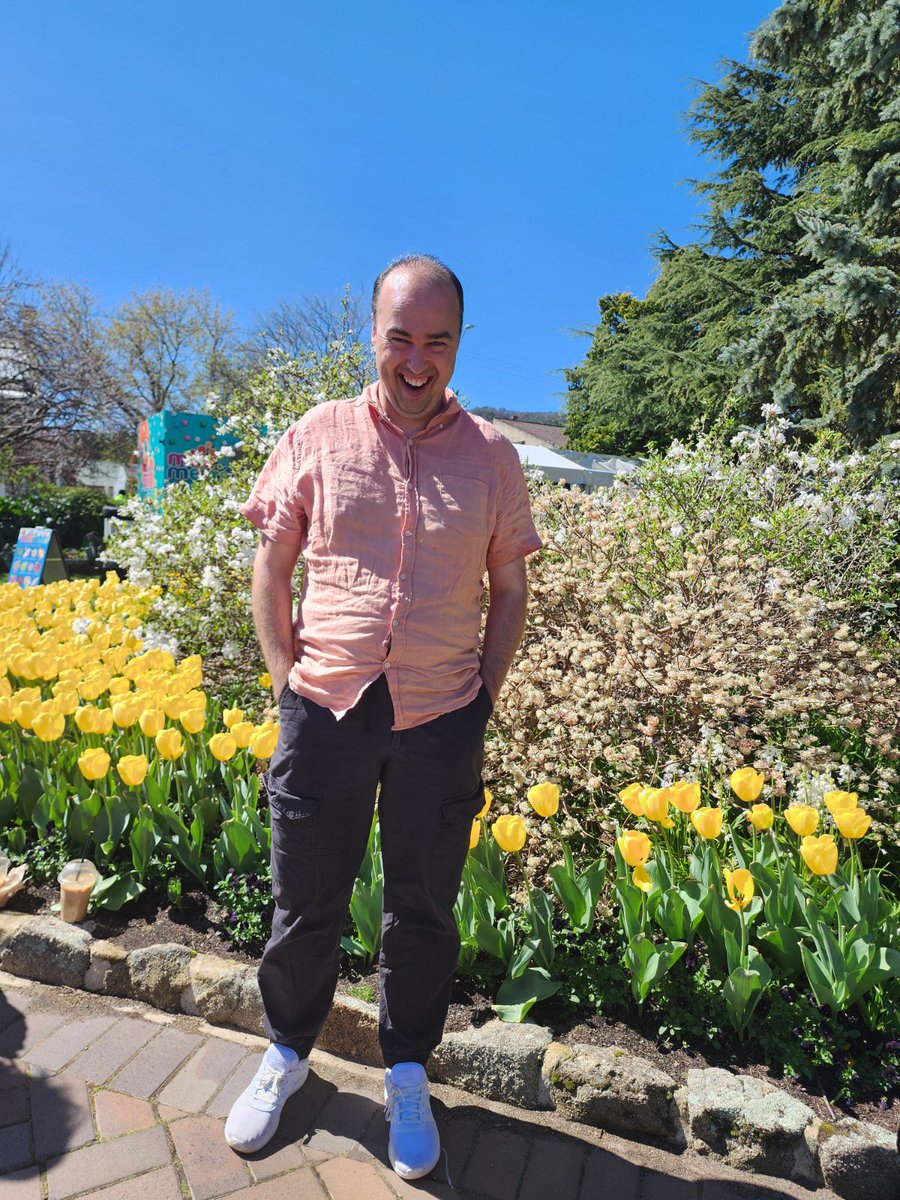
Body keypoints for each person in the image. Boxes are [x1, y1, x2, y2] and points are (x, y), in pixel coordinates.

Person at [224, 254, 542, 1180]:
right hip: (325, 705)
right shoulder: (317, 434)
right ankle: (286, 1050)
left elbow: (510, 585)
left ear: (457, 344)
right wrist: (285, 676)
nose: (416, 359)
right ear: (373, 333)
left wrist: (484, 691)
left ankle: (407, 1069)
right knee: (305, 898)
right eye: (400, 337)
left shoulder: (491, 455)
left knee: (422, 909)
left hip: (441, 713)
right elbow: (272, 565)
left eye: (436, 341)